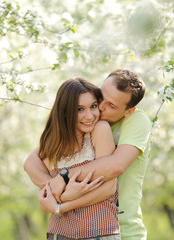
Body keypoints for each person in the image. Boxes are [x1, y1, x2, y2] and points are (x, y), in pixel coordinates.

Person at [25, 69, 152, 239]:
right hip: (73, 229)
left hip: (123, 229)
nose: (100, 107)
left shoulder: (137, 121)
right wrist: (56, 190)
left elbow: (115, 166)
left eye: (111, 105)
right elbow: (32, 161)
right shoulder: (88, 122)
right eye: (100, 97)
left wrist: (63, 179)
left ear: (128, 111)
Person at [37, 78, 121, 239]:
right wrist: (59, 199)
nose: (89, 116)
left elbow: (109, 188)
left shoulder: (99, 130)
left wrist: (61, 206)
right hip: (58, 233)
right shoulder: (51, 143)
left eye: (93, 106)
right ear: (65, 111)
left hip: (98, 231)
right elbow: (46, 195)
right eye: (79, 109)